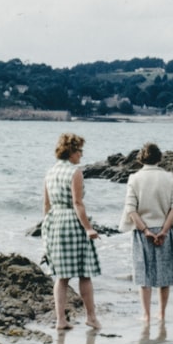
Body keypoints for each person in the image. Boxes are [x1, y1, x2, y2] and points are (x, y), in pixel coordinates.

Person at [119, 142, 173, 323]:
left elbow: (131, 210)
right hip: (166, 229)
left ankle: (146, 315)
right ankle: (162, 314)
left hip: (143, 232)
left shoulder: (134, 178)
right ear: (159, 158)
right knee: (164, 276)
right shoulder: (168, 177)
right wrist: (164, 231)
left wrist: (146, 231)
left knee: (144, 277)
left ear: (141, 158)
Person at [42, 132, 101, 330]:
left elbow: (46, 205)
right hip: (71, 222)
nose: (81, 155)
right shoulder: (75, 172)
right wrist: (89, 228)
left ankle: (60, 320)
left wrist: (46, 228)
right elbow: (77, 203)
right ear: (71, 151)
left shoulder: (50, 172)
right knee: (84, 273)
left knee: (61, 276)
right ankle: (91, 317)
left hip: (54, 222)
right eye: (79, 151)